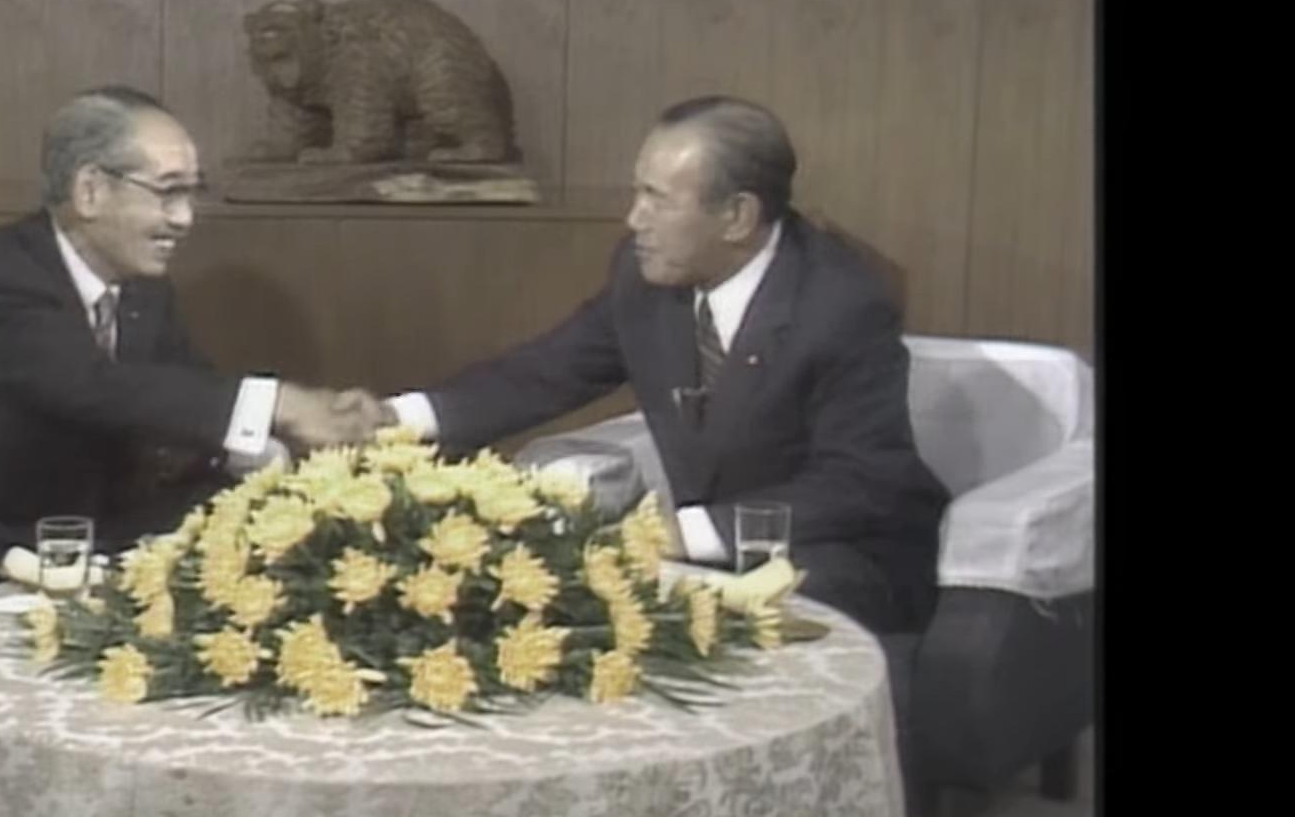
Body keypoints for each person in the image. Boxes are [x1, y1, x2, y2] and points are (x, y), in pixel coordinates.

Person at [387, 96, 949, 634]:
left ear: (736, 217)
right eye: (638, 193)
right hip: (705, 553)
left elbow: (861, 483)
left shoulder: (839, 306)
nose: (635, 219)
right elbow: (547, 371)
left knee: (738, 614)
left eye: (657, 199)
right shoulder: (646, 277)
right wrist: (399, 419)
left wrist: (689, 531)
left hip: (838, 551)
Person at [0, 86, 387, 627]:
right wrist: (278, 404)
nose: (184, 218)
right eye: (168, 192)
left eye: (192, 194)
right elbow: (91, 388)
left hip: (99, 527)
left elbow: (184, 398)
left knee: (248, 517)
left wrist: (290, 450)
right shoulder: (1, 274)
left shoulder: (143, 290)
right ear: (90, 191)